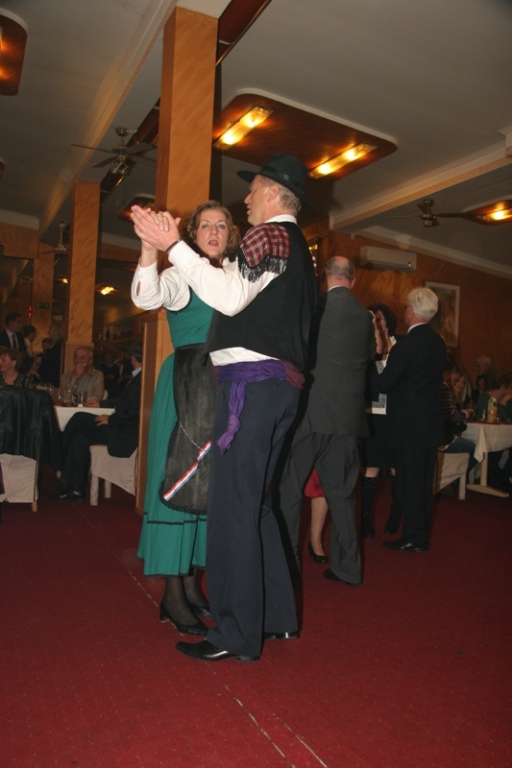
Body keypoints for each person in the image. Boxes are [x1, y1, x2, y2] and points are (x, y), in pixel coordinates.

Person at [130, 152, 318, 662]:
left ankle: (234, 634)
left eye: (253, 190)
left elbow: (230, 300)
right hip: (277, 387)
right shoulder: (293, 245)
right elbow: (154, 295)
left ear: (273, 193)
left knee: (233, 508)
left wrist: (172, 245)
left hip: (249, 386)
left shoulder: (269, 234)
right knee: (257, 505)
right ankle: (276, 618)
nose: (247, 199)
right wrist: (158, 247)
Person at [131, 201, 240, 637]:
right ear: (193, 234)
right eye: (205, 225)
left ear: (231, 234)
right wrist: (149, 248)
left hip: (225, 387)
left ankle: (192, 584)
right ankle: (172, 593)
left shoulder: (235, 275)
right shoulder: (181, 273)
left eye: (221, 225)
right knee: (177, 477)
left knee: (209, 485)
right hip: (186, 387)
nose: (213, 231)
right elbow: (147, 297)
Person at [276, 256, 375, 586]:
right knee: (342, 496)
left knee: (289, 490)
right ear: (353, 281)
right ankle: (349, 569)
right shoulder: (365, 316)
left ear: (324, 277)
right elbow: (369, 358)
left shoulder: (315, 306)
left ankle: (288, 566)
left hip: (310, 413)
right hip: (347, 419)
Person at [372, 287, 446, 552]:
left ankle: (414, 536)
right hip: (430, 425)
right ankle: (420, 534)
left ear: (411, 312)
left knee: (408, 484)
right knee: (424, 484)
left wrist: (370, 364)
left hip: (407, 427)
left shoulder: (406, 346)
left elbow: (385, 383)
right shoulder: (438, 343)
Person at [52, 342, 143, 502]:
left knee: (79, 418)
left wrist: (111, 419)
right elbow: (122, 400)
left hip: (125, 433)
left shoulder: (143, 378)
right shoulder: (140, 377)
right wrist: (101, 405)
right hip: (121, 427)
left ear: (134, 358)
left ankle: (59, 460)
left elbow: (135, 410)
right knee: (79, 437)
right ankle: (76, 488)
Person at [361, 303, 401, 539]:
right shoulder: (367, 347)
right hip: (373, 413)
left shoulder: (400, 347)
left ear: (388, 322)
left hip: (395, 416)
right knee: (371, 466)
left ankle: (395, 513)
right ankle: (366, 517)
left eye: (380, 318)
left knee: (396, 466)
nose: (376, 322)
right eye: (373, 319)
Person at [439, 361, 477, 476]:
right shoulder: (445, 389)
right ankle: (455, 479)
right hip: (444, 440)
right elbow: (453, 416)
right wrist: (465, 414)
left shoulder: (438, 388)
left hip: (440, 437)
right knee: (475, 449)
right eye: (456, 379)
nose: (457, 383)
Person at [38, 321, 64, 387]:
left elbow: (52, 361)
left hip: (53, 379)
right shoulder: (56, 344)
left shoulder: (58, 346)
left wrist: (42, 360)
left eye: (50, 330)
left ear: (56, 332)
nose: (48, 332)